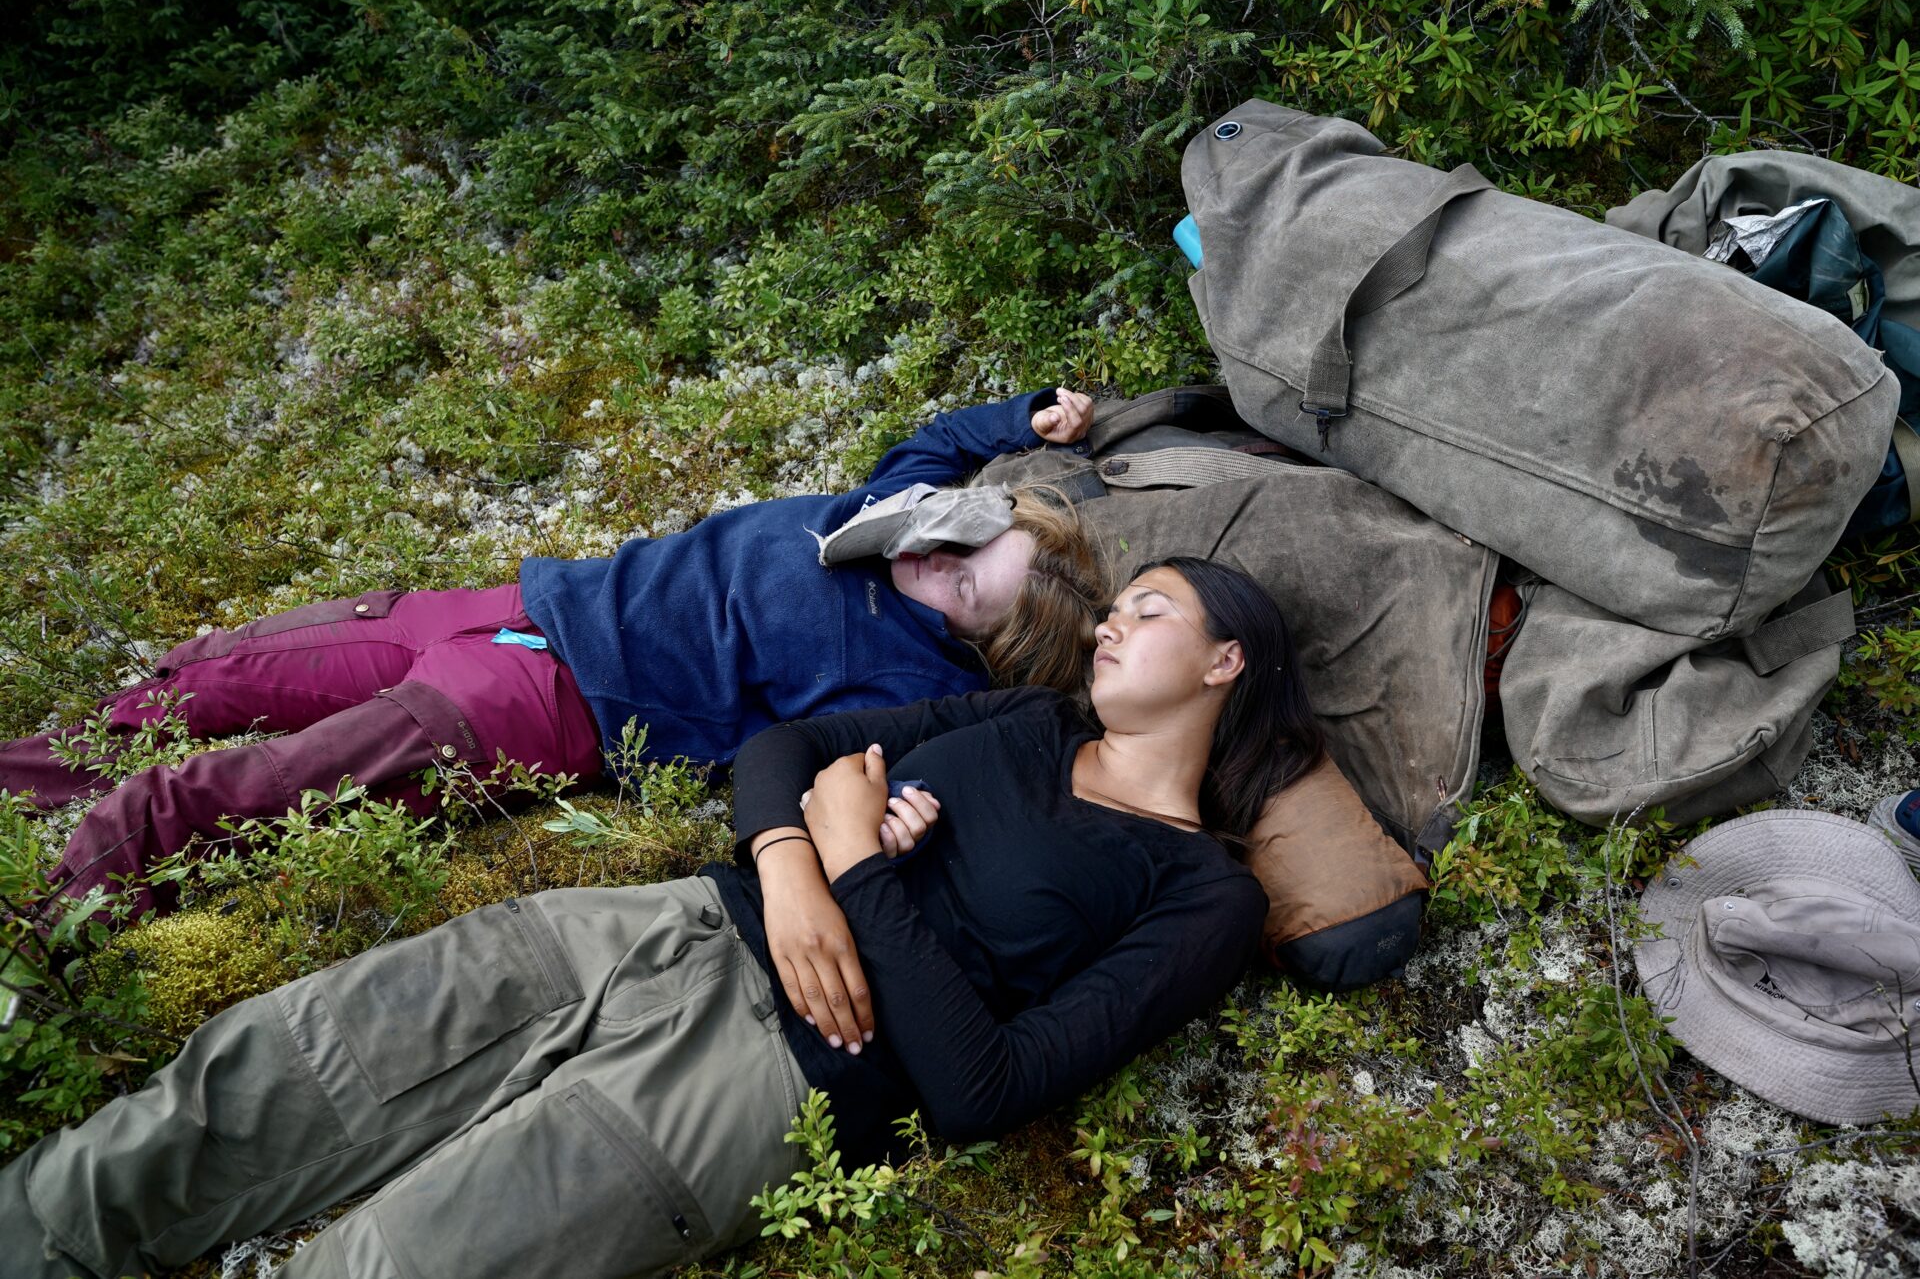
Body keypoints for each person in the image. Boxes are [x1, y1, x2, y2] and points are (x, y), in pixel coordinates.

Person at [0, 557, 1323, 1279]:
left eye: (1150, 611)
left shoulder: (1205, 894)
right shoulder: (1023, 717)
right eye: (1116, 602)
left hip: (757, 1084)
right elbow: (784, 742)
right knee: (265, 1077)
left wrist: (863, 862)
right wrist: (796, 852)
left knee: (389, 1261)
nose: (1110, 625)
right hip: (665, 919)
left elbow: (988, 1086)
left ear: (1224, 663)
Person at [0, 388, 1106, 918]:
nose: (937, 561)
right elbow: (935, 447)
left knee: (237, 789)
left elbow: (855, 771)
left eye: (967, 584)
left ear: (983, 642)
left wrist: (898, 809)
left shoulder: (919, 682)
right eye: (966, 539)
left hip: (546, 705)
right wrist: (1029, 417)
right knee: (207, 678)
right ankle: (20, 780)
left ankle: (38, 921)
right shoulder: (892, 515)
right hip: (501, 605)